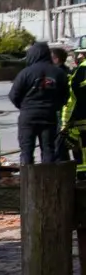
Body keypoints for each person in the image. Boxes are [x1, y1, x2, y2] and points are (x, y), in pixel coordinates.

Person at [9, 42, 69, 165]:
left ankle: (28, 180)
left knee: (26, 150)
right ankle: (48, 180)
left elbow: (13, 95)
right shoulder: (58, 73)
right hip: (49, 116)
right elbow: (65, 95)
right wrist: (54, 106)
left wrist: (24, 107)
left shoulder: (25, 73)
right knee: (48, 149)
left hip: (28, 116)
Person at [63, 49, 86, 179]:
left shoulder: (80, 72)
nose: (80, 55)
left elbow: (72, 99)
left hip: (81, 117)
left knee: (79, 146)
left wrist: (66, 122)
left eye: (82, 53)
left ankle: (82, 173)